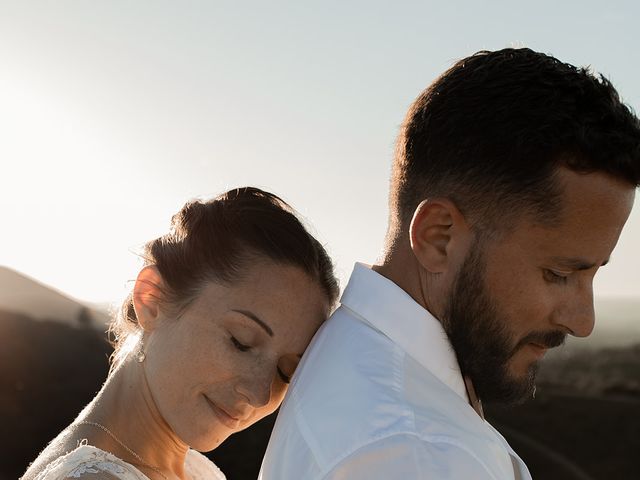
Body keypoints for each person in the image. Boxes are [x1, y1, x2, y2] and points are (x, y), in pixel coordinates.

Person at [260, 48, 640, 479]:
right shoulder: (415, 452)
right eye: (560, 273)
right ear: (439, 237)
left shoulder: (361, 363)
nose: (583, 321)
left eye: (593, 273)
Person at [22, 187, 339, 480]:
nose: (259, 394)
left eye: (286, 373)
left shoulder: (193, 470)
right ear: (152, 299)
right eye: (240, 342)